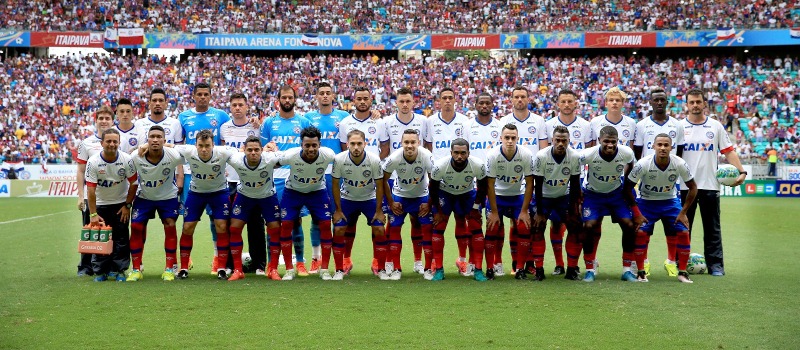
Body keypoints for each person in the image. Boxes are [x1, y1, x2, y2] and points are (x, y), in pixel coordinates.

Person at [680, 88, 747, 276]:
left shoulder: (715, 126)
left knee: (712, 229)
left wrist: (741, 171)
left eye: (698, 102)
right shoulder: (679, 127)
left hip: (710, 185)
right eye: (691, 102)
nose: (695, 105)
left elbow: (728, 151)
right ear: (687, 104)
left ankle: (716, 266)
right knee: (683, 228)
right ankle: (680, 264)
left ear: (704, 104)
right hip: (685, 186)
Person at [623, 133, 698, 283]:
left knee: (684, 232)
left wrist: (683, 212)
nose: (663, 148)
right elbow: (627, 187)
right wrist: (636, 212)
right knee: (641, 234)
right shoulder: (643, 164)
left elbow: (693, 187)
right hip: (646, 202)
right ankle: (641, 272)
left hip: (670, 202)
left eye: (666, 145)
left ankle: (682, 272)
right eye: (660, 145)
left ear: (671, 147)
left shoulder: (679, 163)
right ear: (653, 146)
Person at [259, 85, 313, 277]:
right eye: (284, 97)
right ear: (278, 99)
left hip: (298, 177)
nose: (287, 100)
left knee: (296, 221)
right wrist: (267, 147)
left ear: (295, 100)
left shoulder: (304, 122)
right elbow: (262, 149)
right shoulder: (268, 123)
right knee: (273, 222)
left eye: (290, 97)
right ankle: (271, 264)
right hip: (275, 177)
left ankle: (299, 262)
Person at [178, 82, 231, 274]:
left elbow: (228, 144)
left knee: (217, 222)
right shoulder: (183, 117)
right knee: (188, 223)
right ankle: (185, 262)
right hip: (194, 176)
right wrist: (180, 174)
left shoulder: (221, 116)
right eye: (199, 94)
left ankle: (218, 260)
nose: (202, 97)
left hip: (216, 176)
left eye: (205, 94)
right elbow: (176, 147)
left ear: (210, 96)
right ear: (193, 96)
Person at [172, 130, 238, 280]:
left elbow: (241, 152)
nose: (203, 149)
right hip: (196, 193)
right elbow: (169, 146)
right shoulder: (188, 150)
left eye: (207, 145)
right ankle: (183, 268)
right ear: (195, 145)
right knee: (187, 227)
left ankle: (221, 267)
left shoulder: (223, 152)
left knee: (221, 226)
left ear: (213, 144)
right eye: (200, 145)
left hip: (219, 193)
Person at [497, 86, 548, 277]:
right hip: (512, 179)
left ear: (528, 99)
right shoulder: (503, 121)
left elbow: (543, 150)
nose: (520, 99)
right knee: (514, 223)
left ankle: (529, 263)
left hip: (532, 178)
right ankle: (516, 263)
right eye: (516, 97)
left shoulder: (538, 121)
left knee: (530, 223)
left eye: (523, 97)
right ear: (511, 99)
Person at [633, 87, 685, 276]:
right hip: (647, 183)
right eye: (656, 100)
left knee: (672, 227)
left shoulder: (677, 125)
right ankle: (644, 262)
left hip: (670, 182)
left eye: (663, 99)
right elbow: (638, 154)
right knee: (645, 227)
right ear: (650, 102)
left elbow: (679, 153)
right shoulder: (642, 125)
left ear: (667, 101)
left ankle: (671, 261)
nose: (660, 102)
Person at [275, 126, 336, 281]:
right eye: (307, 145)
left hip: (317, 192)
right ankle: (289, 269)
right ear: (301, 144)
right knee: (286, 225)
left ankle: (324, 269)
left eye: (314, 145)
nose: (310, 149)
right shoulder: (291, 155)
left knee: (324, 225)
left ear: (319, 145)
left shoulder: (328, 155)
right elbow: (272, 163)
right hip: (293, 192)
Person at [579, 126, 637, 282]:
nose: (610, 145)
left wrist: (626, 187)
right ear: (599, 141)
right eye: (606, 141)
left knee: (629, 225)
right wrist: (579, 192)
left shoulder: (626, 153)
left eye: (613, 142)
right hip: (593, 195)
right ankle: (590, 269)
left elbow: (632, 166)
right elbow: (575, 167)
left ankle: (627, 270)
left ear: (618, 141)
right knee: (589, 226)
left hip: (616, 194)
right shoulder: (588, 154)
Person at [544, 90, 593, 276]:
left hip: (578, 180)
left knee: (576, 223)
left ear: (575, 104)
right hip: (555, 181)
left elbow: (589, 154)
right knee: (556, 224)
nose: (566, 104)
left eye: (569, 101)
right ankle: (559, 264)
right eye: (563, 101)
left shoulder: (586, 126)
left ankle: (575, 264)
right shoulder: (549, 125)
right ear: (558, 103)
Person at [128, 125, 185, 282]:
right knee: (136, 227)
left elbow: (191, 152)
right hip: (144, 196)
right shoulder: (136, 156)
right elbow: (126, 168)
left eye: (159, 137)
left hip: (168, 197)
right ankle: (136, 269)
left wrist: (171, 146)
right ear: (147, 140)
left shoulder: (172, 154)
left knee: (170, 225)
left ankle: (169, 268)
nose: (155, 139)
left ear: (164, 140)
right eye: (152, 137)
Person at [424, 88, 472, 275]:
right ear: (439, 101)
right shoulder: (431, 122)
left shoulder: (464, 121)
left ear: (455, 100)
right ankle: (437, 263)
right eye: (444, 98)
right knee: (439, 222)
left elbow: (468, 149)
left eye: (450, 98)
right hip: (440, 181)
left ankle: (461, 260)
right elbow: (429, 147)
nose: (447, 101)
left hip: (461, 180)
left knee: (462, 221)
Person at [304, 81, 350, 274]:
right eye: (321, 93)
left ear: (333, 96)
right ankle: (316, 258)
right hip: (316, 174)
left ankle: (344, 259)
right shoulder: (307, 118)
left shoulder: (344, 117)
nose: (324, 96)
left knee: (339, 217)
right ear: (316, 96)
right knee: (317, 218)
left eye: (327, 93)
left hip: (337, 174)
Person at [429, 138, 489, 282]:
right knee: (439, 228)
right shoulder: (440, 166)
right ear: (451, 152)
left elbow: (482, 188)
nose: (459, 156)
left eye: (463, 153)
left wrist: (475, 208)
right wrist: (437, 211)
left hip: (467, 195)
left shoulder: (478, 165)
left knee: (476, 228)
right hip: (445, 194)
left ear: (469, 153)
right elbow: (433, 190)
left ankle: (478, 270)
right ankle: (439, 270)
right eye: (456, 153)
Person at [220, 92, 267, 276]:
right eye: (234, 105)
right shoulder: (224, 128)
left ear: (247, 107)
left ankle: (259, 264)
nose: (238, 108)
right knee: (232, 223)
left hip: (252, 182)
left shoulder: (256, 127)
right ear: (230, 108)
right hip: (231, 181)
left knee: (256, 224)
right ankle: (232, 263)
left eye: (241, 105)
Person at [383, 88, 428, 274]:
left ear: (413, 102)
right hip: (395, 181)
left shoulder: (423, 121)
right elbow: (384, 148)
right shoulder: (386, 122)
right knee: (392, 222)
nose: (404, 104)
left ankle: (419, 261)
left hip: (419, 181)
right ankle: (389, 261)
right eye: (401, 101)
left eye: (408, 101)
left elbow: (428, 146)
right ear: (396, 103)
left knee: (418, 222)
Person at [84, 128, 138, 282]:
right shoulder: (93, 162)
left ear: (119, 142)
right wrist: (93, 214)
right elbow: (91, 190)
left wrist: (127, 206)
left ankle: (119, 270)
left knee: (121, 238)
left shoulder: (126, 160)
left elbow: (134, 183)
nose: (112, 144)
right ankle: (101, 271)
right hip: (100, 206)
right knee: (101, 238)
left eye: (115, 141)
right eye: (108, 141)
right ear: (102, 143)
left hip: (120, 205)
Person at [225, 135, 282, 281]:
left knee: (275, 229)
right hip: (245, 196)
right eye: (249, 150)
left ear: (262, 150)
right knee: (234, 228)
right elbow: (217, 151)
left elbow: (289, 157)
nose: (253, 153)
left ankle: (273, 269)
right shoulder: (236, 159)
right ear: (244, 150)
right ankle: (238, 270)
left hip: (267, 197)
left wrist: (276, 150)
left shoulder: (270, 158)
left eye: (256, 150)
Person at [332, 130, 386, 280]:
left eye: (359, 144)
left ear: (365, 144)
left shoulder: (374, 160)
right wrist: (337, 210)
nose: (356, 147)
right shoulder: (339, 159)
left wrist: (379, 210)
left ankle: (379, 266)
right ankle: (340, 267)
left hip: (369, 198)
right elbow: (335, 185)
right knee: (339, 228)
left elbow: (380, 185)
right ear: (347, 144)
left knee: (379, 228)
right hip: (347, 199)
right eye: (353, 144)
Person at [530, 125, 583, 281]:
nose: (561, 144)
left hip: (563, 196)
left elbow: (574, 184)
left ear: (569, 141)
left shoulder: (574, 156)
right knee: (538, 228)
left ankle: (571, 269)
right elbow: (537, 185)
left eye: (564, 141)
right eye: (557, 140)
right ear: (552, 140)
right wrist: (539, 212)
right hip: (544, 197)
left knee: (575, 227)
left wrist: (573, 210)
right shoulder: (541, 156)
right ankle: (539, 270)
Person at [483, 124, 534, 280]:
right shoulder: (492, 155)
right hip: (497, 197)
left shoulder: (525, 154)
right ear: (501, 138)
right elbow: (489, 185)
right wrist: (494, 212)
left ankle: (519, 269)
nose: (510, 141)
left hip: (517, 196)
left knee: (524, 228)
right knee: (492, 228)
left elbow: (530, 183)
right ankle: (490, 268)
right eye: (507, 138)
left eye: (513, 138)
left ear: (517, 139)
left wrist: (525, 211)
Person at [382, 129, 435, 279]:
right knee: (394, 228)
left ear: (418, 143)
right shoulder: (394, 158)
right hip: (400, 197)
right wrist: (391, 202)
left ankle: (426, 268)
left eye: (413, 142)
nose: (410, 145)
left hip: (421, 196)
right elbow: (382, 179)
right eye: (406, 142)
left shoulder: (426, 156)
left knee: (426, 229)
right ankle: (396, 268)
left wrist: (429, 203)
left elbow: (434, 181)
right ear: (401, 143)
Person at [75, 106, 115, 277]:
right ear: (96, 120)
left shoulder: (116, 140)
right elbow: (80, 171)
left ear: (112, 121)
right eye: (101, 118)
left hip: (113, 197)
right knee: (89, 231)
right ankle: (85, 267)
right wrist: (80, 196)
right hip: (92, 197)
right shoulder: (86, 143)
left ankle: (111, 267)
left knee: (112, 232)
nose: (104, 121)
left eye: (107, 118)